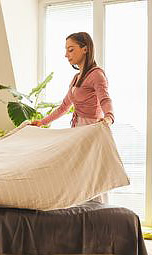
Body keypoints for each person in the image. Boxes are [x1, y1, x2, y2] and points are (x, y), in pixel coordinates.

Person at [31, 32, 114, 203]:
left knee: (91, 174)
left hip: (91, 130)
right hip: (77, 130)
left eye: (71, 50)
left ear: (85, 49)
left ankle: (100, 213)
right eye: (66, 50)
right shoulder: (76, 78)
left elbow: (105, 99)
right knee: (79, 174)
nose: (66, 55)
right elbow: (64, 107)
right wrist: (42, 122)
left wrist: (109, 117)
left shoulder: (97, 74)